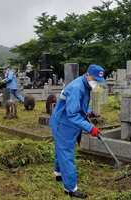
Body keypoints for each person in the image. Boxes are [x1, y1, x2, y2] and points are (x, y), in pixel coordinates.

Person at [49, 64, 105, 199]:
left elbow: (84, 103)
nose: (96, 82)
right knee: (66, 154)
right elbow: (73, 115)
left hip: (65, 122)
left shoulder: (84, 85)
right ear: (87, 75)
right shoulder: (77, 87)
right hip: (64, 124)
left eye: (98, 80)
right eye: (94, 79)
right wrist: (91, 128)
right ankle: (70, 189)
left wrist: (87, 111)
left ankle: (58, 174)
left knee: (60, 149)